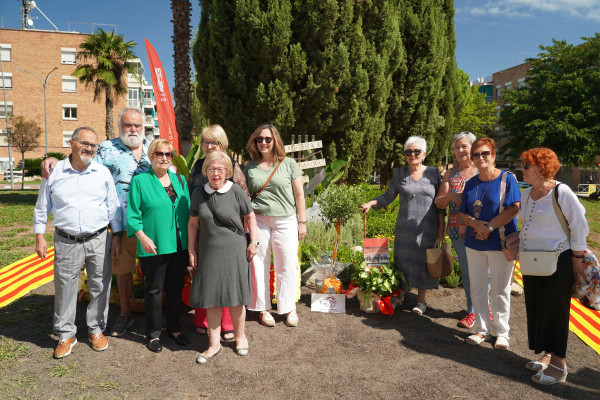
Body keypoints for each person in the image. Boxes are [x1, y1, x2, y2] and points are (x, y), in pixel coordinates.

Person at [42, 107, 151, 337]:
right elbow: (80, 161)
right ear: (120, 126)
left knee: (154, 267)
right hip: (120, 221)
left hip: (151, 221)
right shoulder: (106, 149)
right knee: (123, 269)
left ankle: (155, 314)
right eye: (128, 125)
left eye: (137, 125)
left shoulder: (156, 149)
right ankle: (125, 314)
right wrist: (53, 160)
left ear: (144, 127)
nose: (133, 129)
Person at [33, 127, 121, 358]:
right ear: (71, 144)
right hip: (66, 240)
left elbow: (113, 208)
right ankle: (65, 334)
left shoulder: (102, 173)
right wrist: (39, 236)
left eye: (93, 145)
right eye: (85, 143)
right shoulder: (53, 172)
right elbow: (42, 207)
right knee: (64, 287)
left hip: (99, 238)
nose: (89, 148)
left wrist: (118, 237)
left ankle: (95, 329)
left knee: (100, 285)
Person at [519, 148, 588, 385]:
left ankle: (559, 366)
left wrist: (577, 261)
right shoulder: (527, 194)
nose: (522, 170)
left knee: (556, 312)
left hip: (560, 260)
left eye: (526, 166)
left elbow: (579, 226)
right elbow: (526, 224)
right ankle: (548, 355)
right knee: (539, 308)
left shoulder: (562, 191)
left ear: (541, 168)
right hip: (533, 261)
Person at [361, 136, 445, 315]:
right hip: (404, 229)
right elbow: (388, 196)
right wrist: (372, 203)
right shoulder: (399, 173)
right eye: (409, 152)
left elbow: (440, 202)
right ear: (405, 155)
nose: (412, 154)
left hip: (427, 228)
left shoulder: (433, 173)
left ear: (424, 153)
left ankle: (421, 302)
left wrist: (441, 225)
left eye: (416, 151)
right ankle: (400, 296)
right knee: (402, 261)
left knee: (425, 262)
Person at [188, 151, 258, 363]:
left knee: (236, 296)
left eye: (220, 169)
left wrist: (253, 242)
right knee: (211, 298)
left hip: (235, 250)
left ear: (227, 171)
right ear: (205, 171)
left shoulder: (236, 191)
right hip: (209, 252)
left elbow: (250, 216)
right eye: (211, 169)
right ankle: (214, 344)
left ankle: (240, 337)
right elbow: (193, 223)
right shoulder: (199, 193)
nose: (216, 173)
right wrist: (191, 250)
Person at [127, 139, 190, 353]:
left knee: (175, 289)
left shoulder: (180, 180)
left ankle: (174, 328)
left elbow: (188, 213)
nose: (164, 158)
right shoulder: (140, 181)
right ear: (151, 156)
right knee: (153, 290)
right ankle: (153, 334)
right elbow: (133, 214)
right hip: (153, 244)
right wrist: (142, 237)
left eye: (169, 154)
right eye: (159, 154)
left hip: (179, 245)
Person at [458, 137, 520, 350]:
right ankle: (482, 330)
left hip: (500, 243)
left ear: (493, 155)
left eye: (485, 153)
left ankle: (502, 332)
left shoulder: (507, 179)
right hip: (474, 243)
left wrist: (489, 228)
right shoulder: (471, 183)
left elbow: (514, 208)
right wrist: (476, 224)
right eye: (476, 154)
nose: (480, 157)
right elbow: (463, 212)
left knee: (501, 290)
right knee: (478, 288)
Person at [244, 124, 306, 327]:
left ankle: (288, 308)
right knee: (258, 263)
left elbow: (299, 194)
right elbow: (244, 195)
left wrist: (301, 221)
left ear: (275, 141)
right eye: (259, 139)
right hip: (258, 219)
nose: (263, 142)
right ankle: (263, 309)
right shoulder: (250, 167)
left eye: (267, 139)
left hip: (286, 219)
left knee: (287, 264)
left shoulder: (288, 164)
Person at [435, 132, 479, 328]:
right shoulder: (451, 173)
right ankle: (472, 310)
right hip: (458, 231)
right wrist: (451, 195)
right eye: (457, 147)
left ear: (473, 147)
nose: (460, 150)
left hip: (482, 229)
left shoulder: (482, 170)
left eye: (464, 146)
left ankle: (483, 307)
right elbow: (438, 202)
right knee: (468, 271)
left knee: (485, 271)